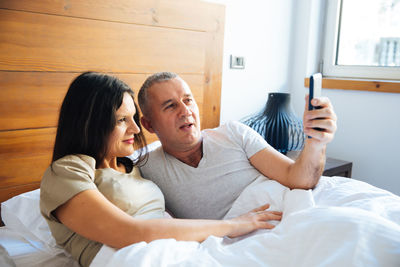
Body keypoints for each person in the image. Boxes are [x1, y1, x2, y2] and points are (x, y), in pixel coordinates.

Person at [39, 72, 282, 267]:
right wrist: (234, 225)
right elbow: (129, 232)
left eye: (134, 118)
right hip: (130, 257)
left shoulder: (134, 166)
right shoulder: (66, 172)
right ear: (89, 122)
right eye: (122, 119)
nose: (135, 129)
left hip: (177, 249)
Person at [138, 72, 337, 220]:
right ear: (148, 124)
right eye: (170, 106)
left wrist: (316, 143)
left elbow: (298, 179)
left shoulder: (233, 133)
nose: (185, 111)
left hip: (289, 213)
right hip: (244, 237)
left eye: (188, 100)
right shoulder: (145, 167)